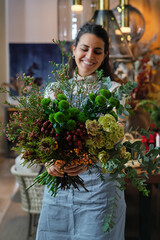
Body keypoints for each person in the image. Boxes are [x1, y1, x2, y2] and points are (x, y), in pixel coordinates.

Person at [36, 22, 126, 240]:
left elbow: (118, 133)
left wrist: (89, 158)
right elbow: (42, 134)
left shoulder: (114, 90)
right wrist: (48, 161)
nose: (89, 56)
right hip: (60, 187)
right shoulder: (55, 89)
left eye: (97, 51)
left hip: (100, 191)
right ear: (74, 49)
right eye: (84, 48)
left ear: (105, 56)